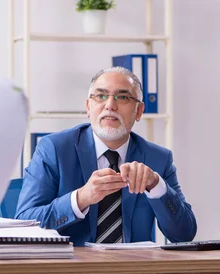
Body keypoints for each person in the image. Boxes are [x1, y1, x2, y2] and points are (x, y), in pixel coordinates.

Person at [15, 66, 197, 246]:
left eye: (123, 97)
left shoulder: (158, 158)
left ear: (139, 111)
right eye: (101, 96)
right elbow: (25, 223)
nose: (110, 105)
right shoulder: (54, 149)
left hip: (134, 270)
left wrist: (156, 185)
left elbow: (184, 235)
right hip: (70, 270)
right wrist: (80, 199)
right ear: (88, 106)